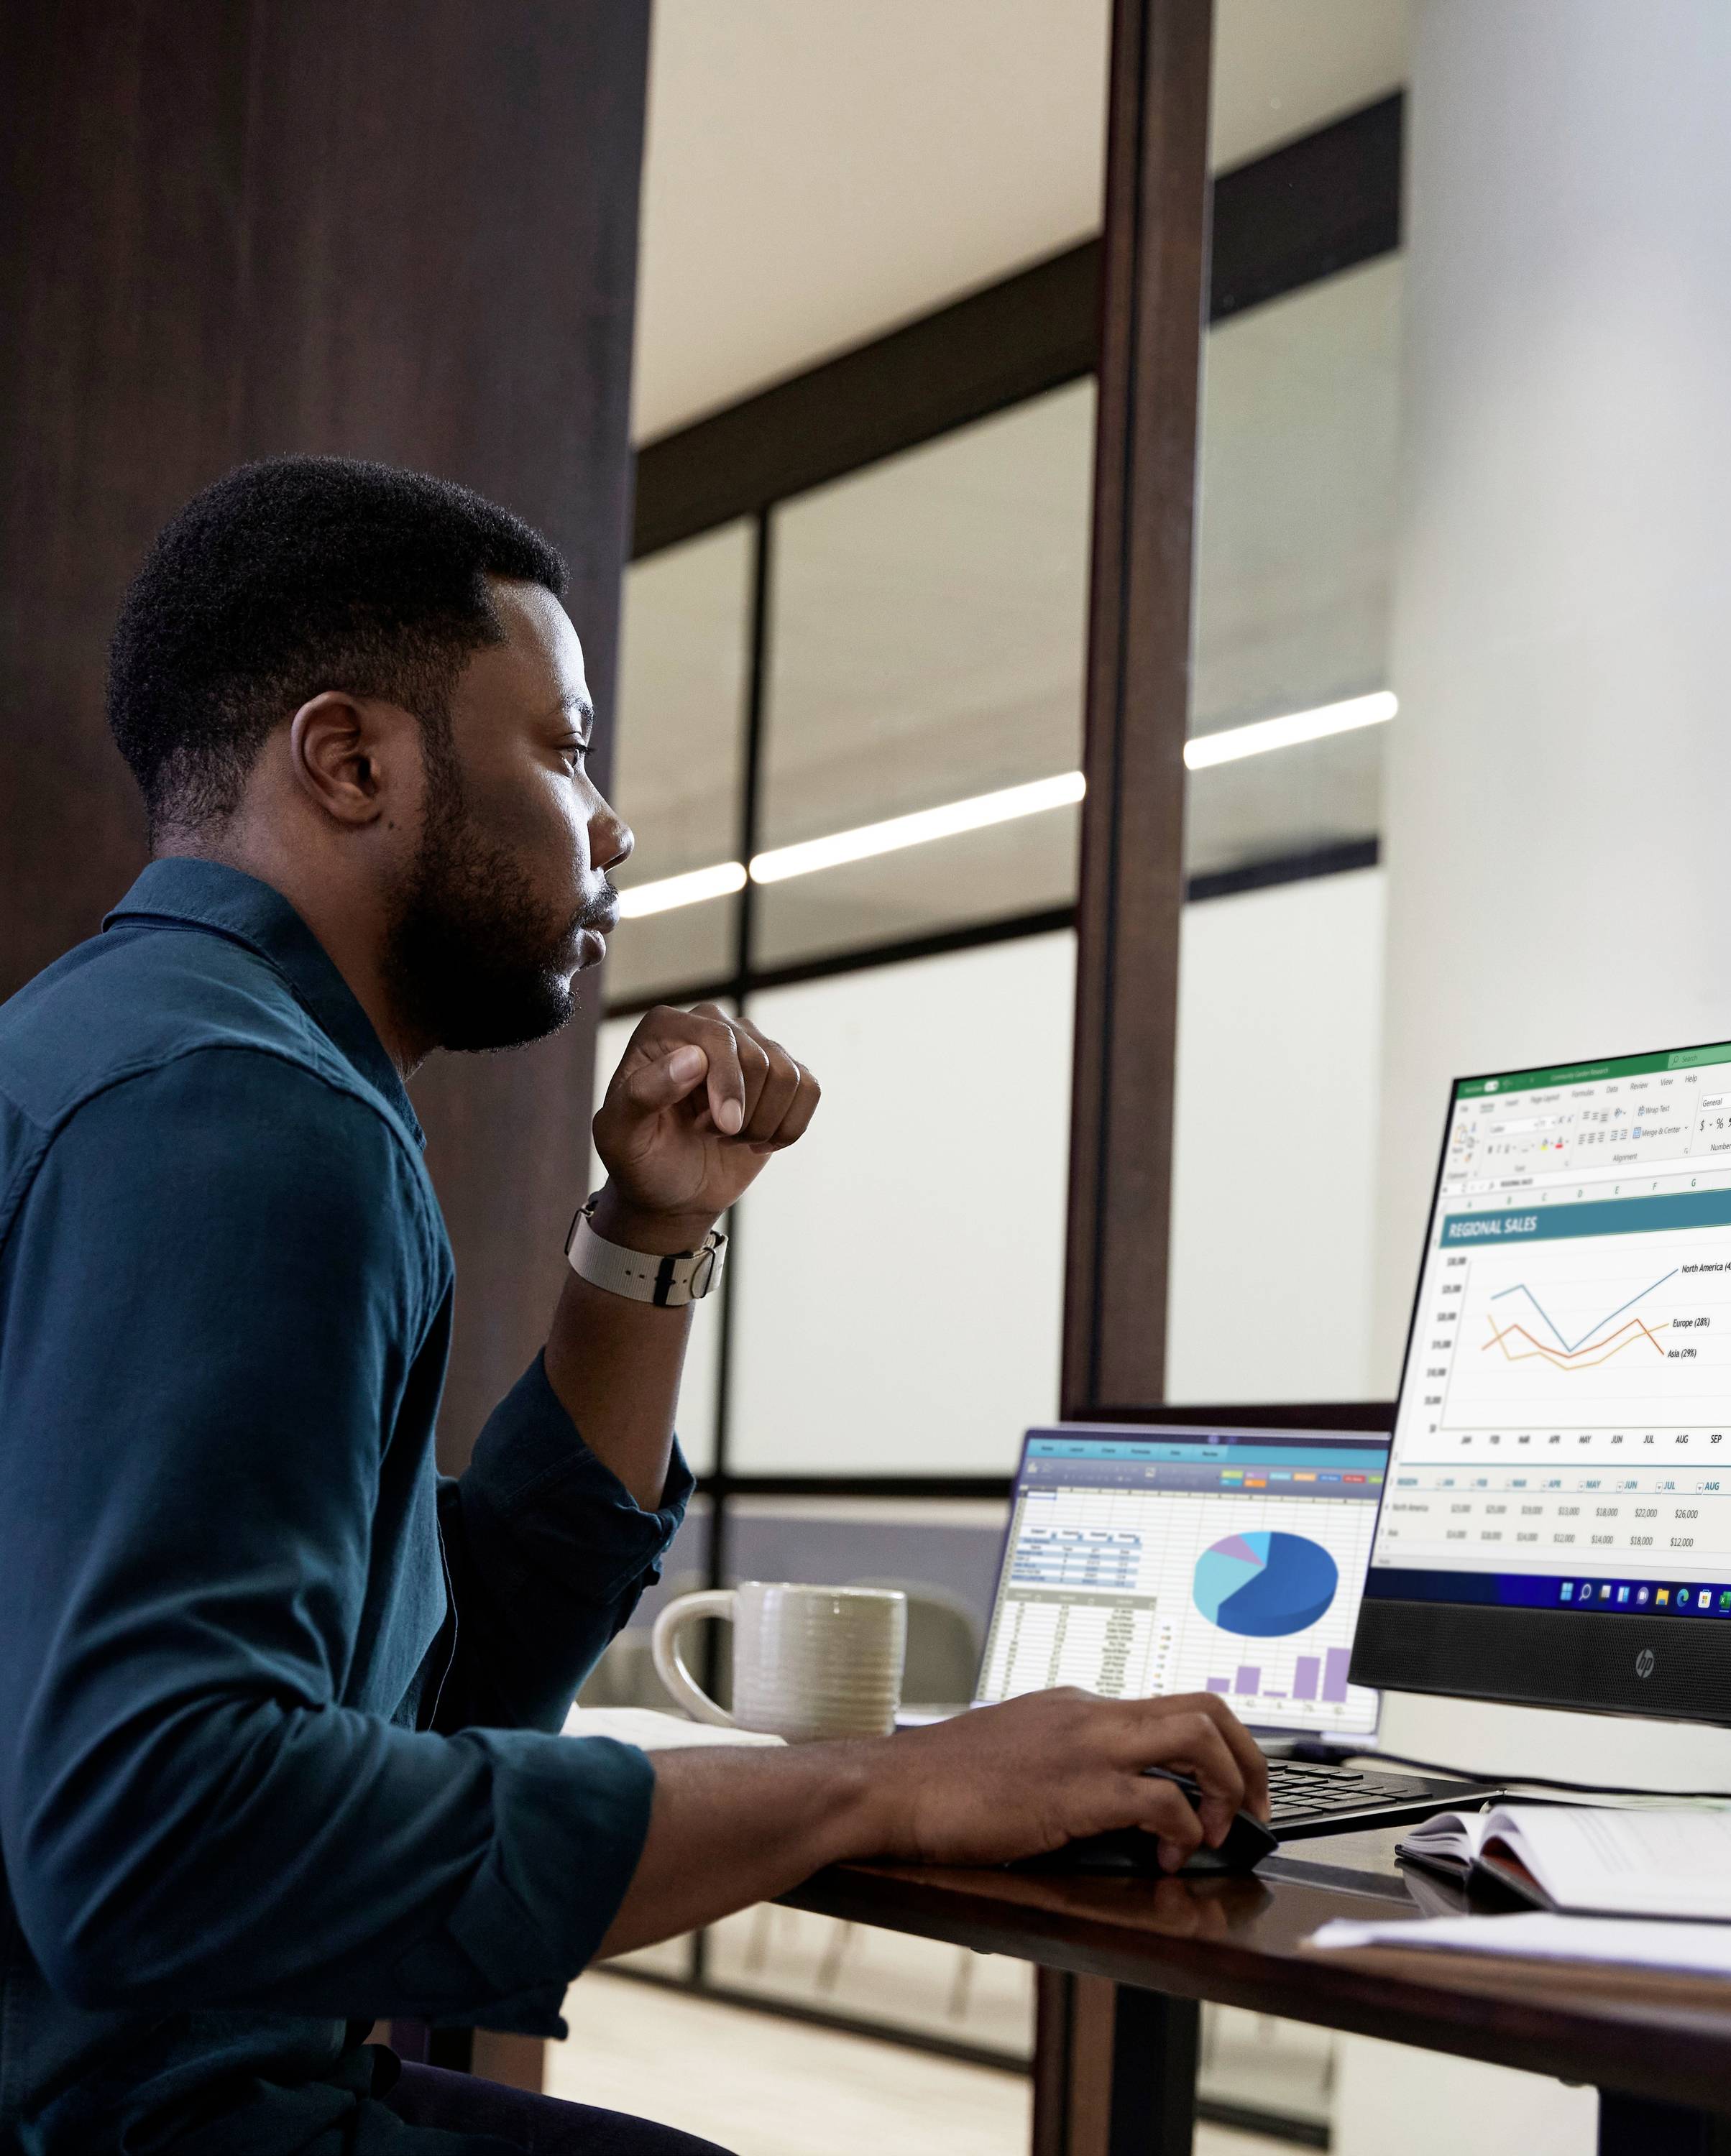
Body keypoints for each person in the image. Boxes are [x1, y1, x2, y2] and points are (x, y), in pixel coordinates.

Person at [0, 457, 1269, 2156]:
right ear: (352, 760)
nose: (608, 825)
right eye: (565, 747)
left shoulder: (132, 1054)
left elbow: (457, 1678)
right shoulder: (245, 1114)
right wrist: (881, 1785)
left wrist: (647, 1232)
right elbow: (160, 1843)